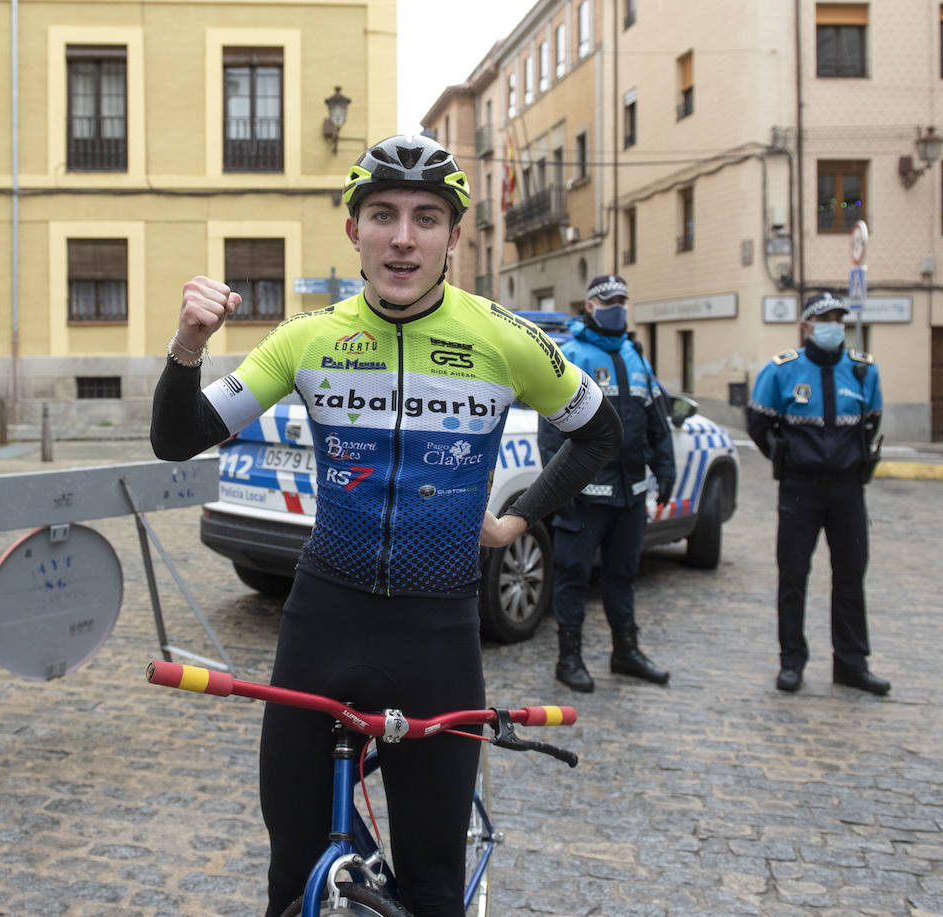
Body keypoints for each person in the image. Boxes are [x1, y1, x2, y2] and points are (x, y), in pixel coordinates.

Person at [150, 133, 620, 917]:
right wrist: (188, 344)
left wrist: (515, 520)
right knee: (290, 877)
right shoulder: (309, 338)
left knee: (432, 887)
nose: (403, 237)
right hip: (320, 626)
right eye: (383, 214)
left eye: (426, 218)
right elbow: (178, 436)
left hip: (437, 636)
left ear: (454, 237)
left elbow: (600, 432)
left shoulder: (503, 337)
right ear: (353, 229)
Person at [539, 274, 677, 693]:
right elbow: (551, 433)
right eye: (608, 300)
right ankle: (569, 658)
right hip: (584, 495)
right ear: (590, 306)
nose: (616, 306)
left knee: (622, 575)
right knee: (573, 575)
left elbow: (655, 418)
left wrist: (665, 468)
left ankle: (626, 652)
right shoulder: (570, 354)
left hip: (630, 492)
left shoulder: (636, 356)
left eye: (621, 300)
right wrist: (558, 491)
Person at [745, 291, 888, 696]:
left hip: (847, 490)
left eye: (838, 317)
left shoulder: (863, 371)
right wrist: (785, 458)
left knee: (850, 575)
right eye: (824, 317)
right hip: (800, 490)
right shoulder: (781, 371)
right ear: (806, 325)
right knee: (793, 576)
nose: (834, 324)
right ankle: (792, 661)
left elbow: (871, 422)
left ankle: (851, 663)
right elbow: (758, 424)